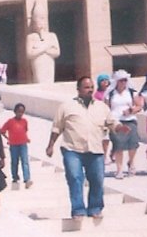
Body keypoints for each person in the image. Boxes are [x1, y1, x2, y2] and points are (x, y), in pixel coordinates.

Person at [45, 76, 126, 220]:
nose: (90, 90)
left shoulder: (101, 107)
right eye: (86, 87)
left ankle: (95, 208)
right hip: (72, 149)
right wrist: (50, 145)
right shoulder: (66, 106)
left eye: (91, 87)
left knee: (97, 179)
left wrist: (119, 127)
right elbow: (57, 127)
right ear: (78, 89)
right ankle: (78, 210)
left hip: (95, 149)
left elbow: (111, 122)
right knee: (75, 178)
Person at [106, 70, 142, 178]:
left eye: (125, 80)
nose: (123, 82)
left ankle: (131, 162)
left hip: (130, 120)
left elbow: (139, 106)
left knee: (133, 143)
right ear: (116, 81)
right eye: (121, 80)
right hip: (116, 121)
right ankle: (119, 169)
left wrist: (130, 111)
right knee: (118, 145)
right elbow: (106, 108)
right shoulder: (110, 94)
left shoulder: (131, 92)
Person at [0, 102, 33, 188]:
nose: (20, 114)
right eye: (19, 111)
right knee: (14, 162)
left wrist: (26, 138)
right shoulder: (10, 122)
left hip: (23, 144)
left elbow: (24, 131)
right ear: (15, 111)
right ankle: (15, 177)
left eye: (22, 112)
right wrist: (8, 138)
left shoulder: (24, 121)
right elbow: (2, 131)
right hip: (13, 145)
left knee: (25, 161)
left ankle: (27, 179)